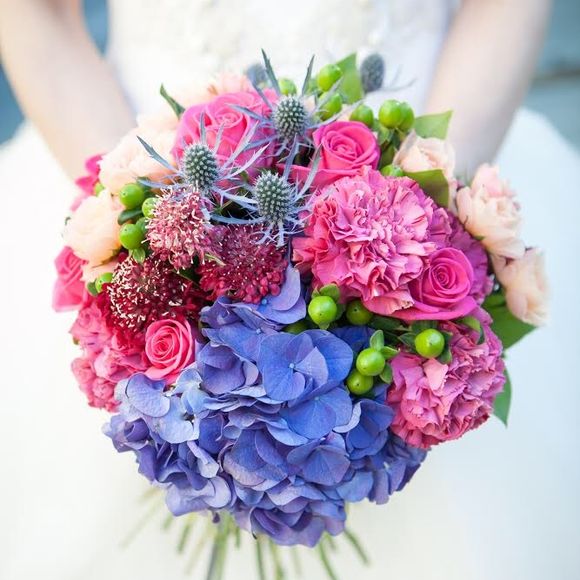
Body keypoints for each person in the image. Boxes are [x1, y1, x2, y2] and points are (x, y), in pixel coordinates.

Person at [1, 1, 579, 579]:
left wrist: (426, 211)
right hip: (125, 144)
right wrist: (148, 222)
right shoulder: (158, 222)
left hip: (436, 151)